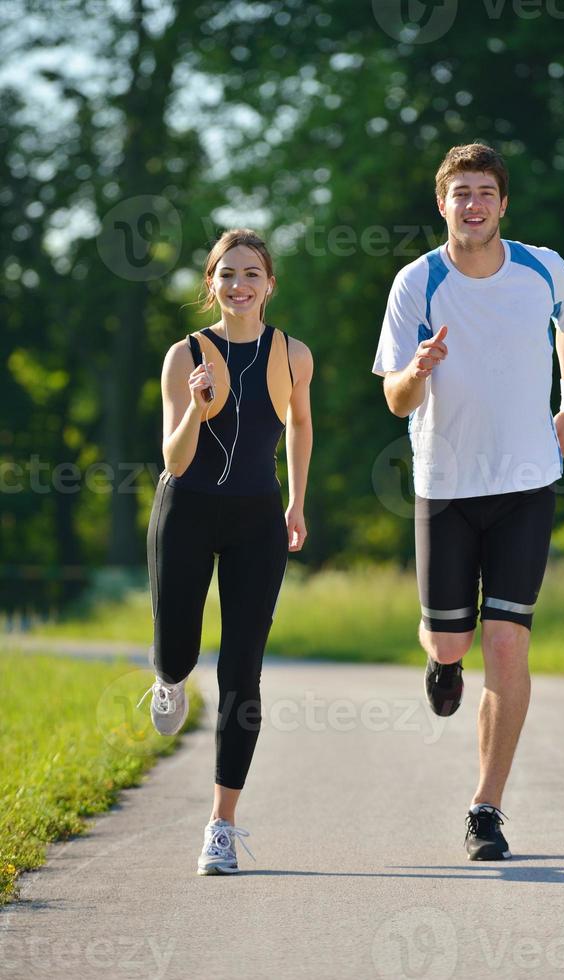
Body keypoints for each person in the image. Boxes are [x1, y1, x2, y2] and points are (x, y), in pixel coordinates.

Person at [372, 143, 564, 860]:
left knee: (507, 640)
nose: (473, 203)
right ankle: (440, 663)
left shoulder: (542, 267)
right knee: (452, 641)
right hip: (445, 486)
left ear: (504, 203)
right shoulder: (418, 281)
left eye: (485, 192)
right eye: (460, 192)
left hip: (527, 480)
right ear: (442, 204)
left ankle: (486, 808)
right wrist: (418, 368)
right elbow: (395, 398)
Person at [138, 228, 313, 874]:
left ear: (269, 283)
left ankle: (221, 823)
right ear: (209, 284)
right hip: (185, 511)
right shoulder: (184, 355)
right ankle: (167, 678)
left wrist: (296, 501)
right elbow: (175, 458)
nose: (238, 285)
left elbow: (299, 423)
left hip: (256, 520)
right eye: (226, 274)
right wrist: (196, 406)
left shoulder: (295, 355)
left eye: (251, 273)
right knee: (179, 651)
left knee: (242, 672)